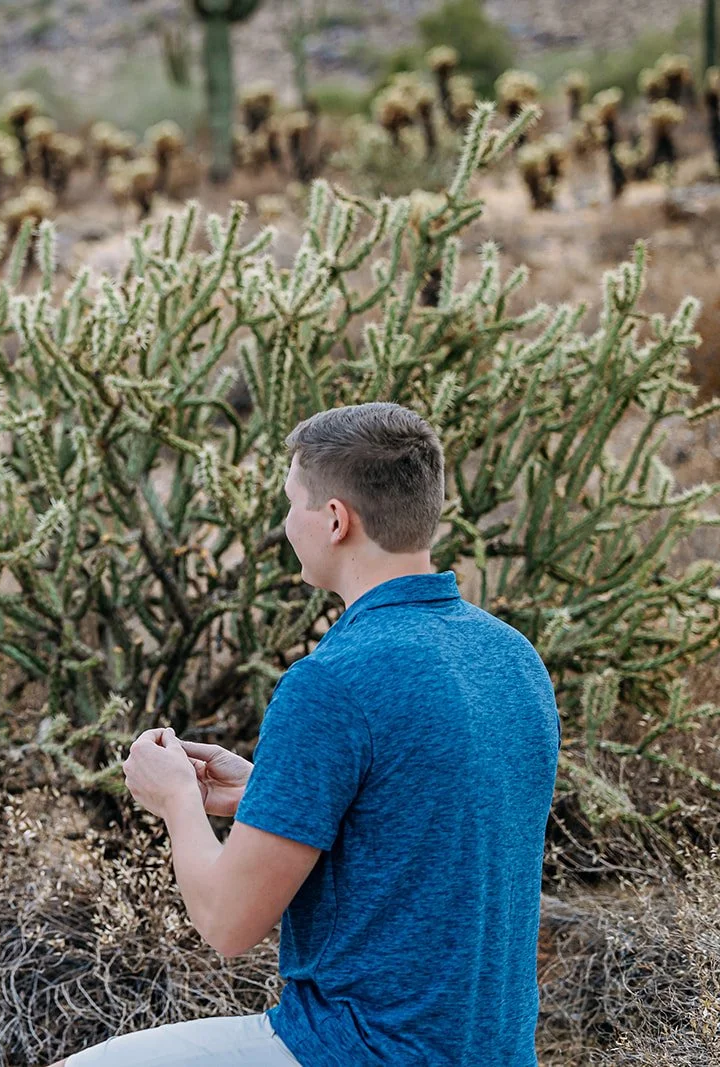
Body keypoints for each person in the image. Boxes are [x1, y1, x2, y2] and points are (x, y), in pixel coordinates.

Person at [50, 402, 561, 1066]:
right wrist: (273, 792)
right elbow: (429, 823)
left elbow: (228, 921)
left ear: (335, 518)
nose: (285, 522)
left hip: (353, 1050)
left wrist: (175, 797)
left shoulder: (333, 682)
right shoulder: (515, 659)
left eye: (292, 502)